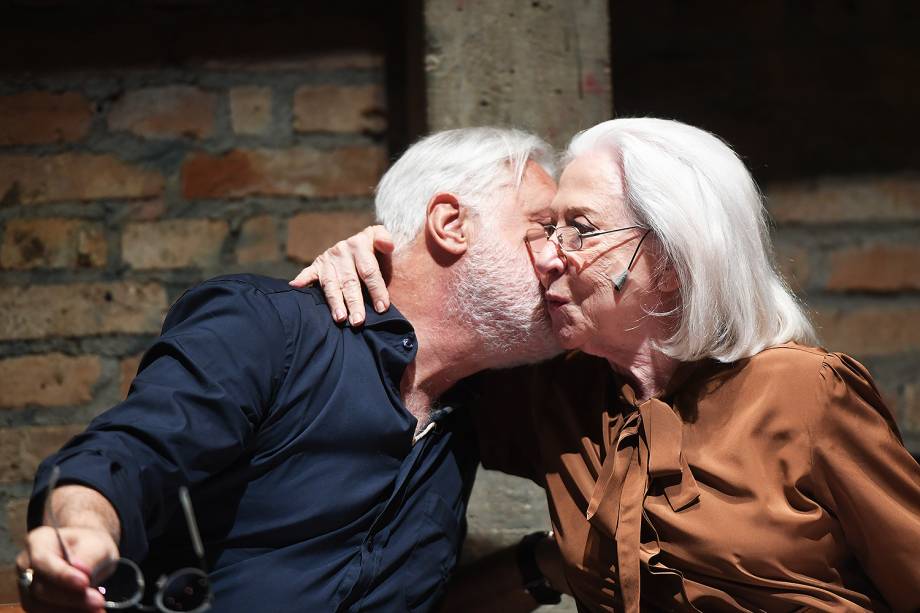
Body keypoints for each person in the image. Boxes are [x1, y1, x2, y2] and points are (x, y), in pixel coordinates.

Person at [294, 117, 920, 612]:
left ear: (672, 260)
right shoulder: (557, 393)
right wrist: (381, 260)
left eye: (580, 229)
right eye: (549, 228)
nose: (547, 255)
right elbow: (424, 351)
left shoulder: (804, 392)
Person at [15, 127, 562, 612]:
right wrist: (81, 530)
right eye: (544, 229)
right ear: (450, 223)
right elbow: (134, 452)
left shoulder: (482, 402)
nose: (563, 256)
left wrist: (546, 566)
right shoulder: (273, 328)